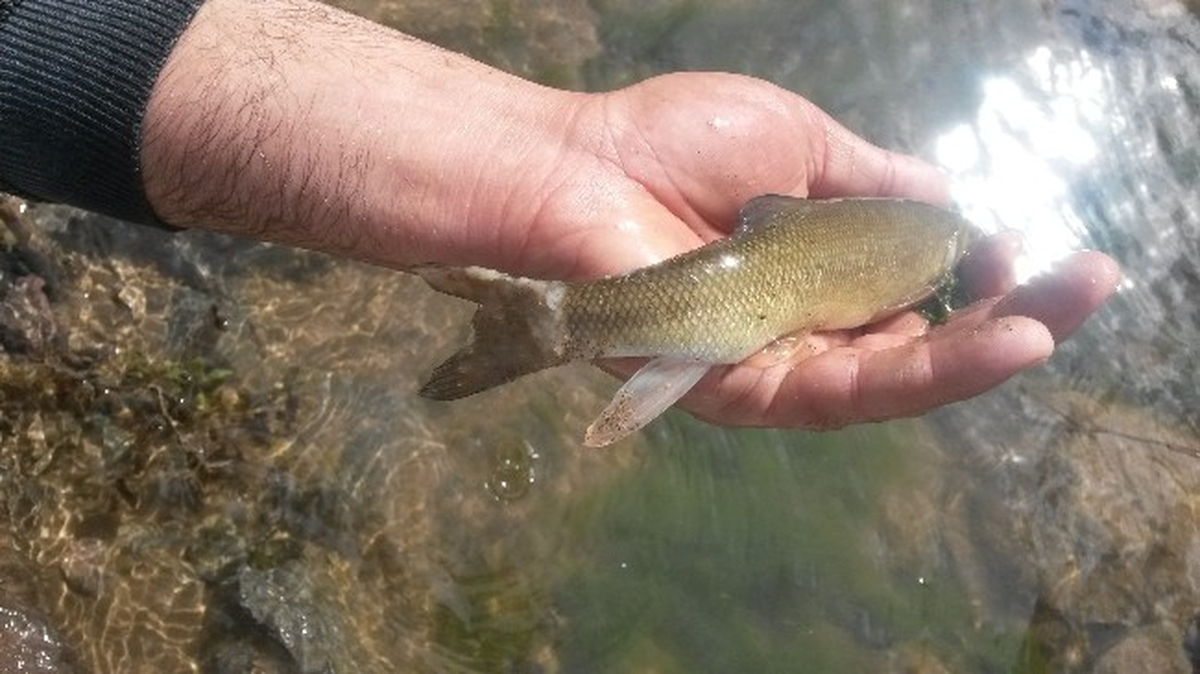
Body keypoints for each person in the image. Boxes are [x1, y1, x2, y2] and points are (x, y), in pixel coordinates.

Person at [1, 0, 1119, 431]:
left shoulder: (908, 229)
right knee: (704, 321)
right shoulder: (931, 257)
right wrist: (568, 167)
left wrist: (560, 164)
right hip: (745, 294)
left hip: (737, 284)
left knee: (682, 314)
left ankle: (558, 320)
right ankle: (560, 322)